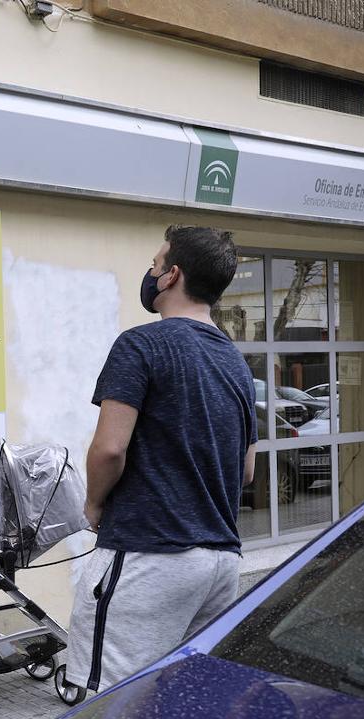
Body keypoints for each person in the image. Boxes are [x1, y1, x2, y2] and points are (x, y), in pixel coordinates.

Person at [65, 226, 257, 695]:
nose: (149, 273)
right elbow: (247, 471)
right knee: (181, 703)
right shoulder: (237, 363)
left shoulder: (141, 345)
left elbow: (110, 448)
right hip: (219, 565)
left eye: (154, 264)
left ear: (172, 276)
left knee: (109, 705)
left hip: (149, 554)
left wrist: (92, 505)